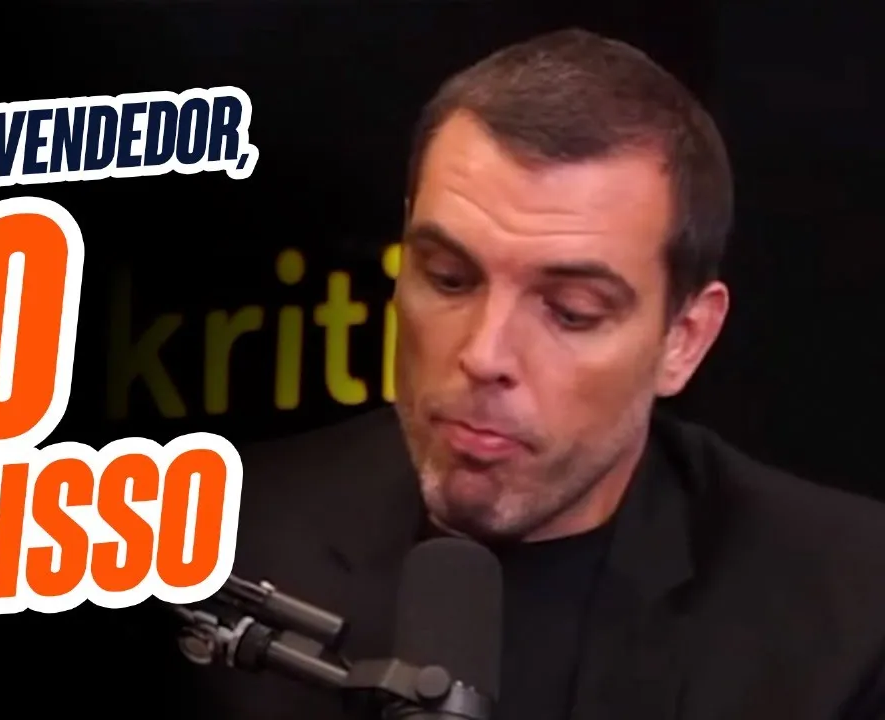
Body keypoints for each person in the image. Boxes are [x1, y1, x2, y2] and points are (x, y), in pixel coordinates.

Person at [185, 28, 885, 720]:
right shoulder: (216, 539)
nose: (484, 354)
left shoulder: (848, 616)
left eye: (572, 312)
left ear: (684, 339)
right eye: (448, 278)